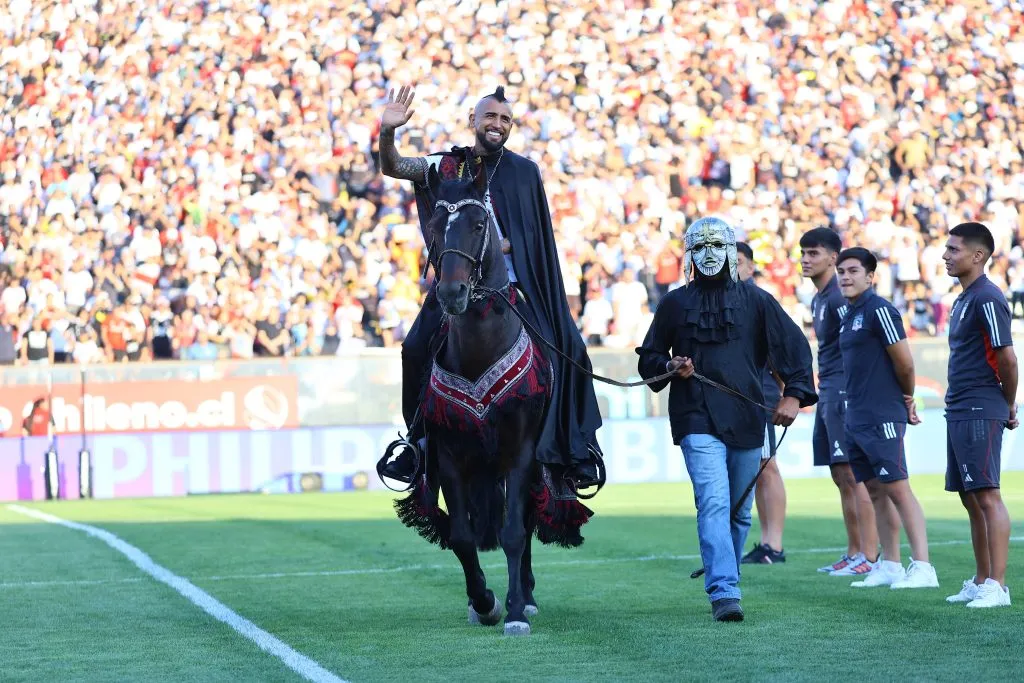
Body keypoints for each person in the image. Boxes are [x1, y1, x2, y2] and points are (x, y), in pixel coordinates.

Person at [375, 85, 604, 495]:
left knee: (570, 346)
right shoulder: (444, 166)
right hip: (454, 289)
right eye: (490, 117)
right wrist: (387, 132)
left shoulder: (525, 171)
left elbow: (535, 237)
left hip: (514, 290)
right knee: (412, 349)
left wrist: (498, 246)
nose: (496, 125)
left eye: (504, 119)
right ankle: (417, 443)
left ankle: (575, 452)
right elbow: (394, 167)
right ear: (473, 121)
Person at [636, 217, 817, 622]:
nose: (709, 254)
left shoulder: (758, 301)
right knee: (714, 502)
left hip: (748, 416)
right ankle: (724, 590)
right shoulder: (674, 303)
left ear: (732, 250)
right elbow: (649, 359)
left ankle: (726, 578)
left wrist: (795, 395)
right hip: (694, 415)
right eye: (700, 247)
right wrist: (669, 364)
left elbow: (794, 350)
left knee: (738, 510)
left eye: (717, 245)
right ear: (689, 254)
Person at [835, 247, 938, 590]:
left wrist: (906, 398)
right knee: (876, 491)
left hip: (882, 414)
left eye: (852, 271)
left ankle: (923, 567)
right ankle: (891, 564)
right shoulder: (849, 315)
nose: (845, 277)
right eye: (842, 271)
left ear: (870, 276)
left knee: (897, 488)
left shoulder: (880, 310)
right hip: (857, 416)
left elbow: (905, 362)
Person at [798, 228, 881, 577]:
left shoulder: (836, 299)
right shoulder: (819, 298)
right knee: (840, 474)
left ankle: (870, 554)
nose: (805, 259)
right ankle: (854, 551)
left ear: (834, 257)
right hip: (829, 389)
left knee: (853, 474)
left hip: (844, 391)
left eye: (813, 253)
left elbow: (859, 346)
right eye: (803, 253)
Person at [941, 222, 1016, 608]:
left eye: (954, 249)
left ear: (978, 256)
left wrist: (1007, 403)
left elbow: (1006, 356)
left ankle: (997, 587)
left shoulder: (988, 297)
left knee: (987, 495)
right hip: (960, 405)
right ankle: (981, 577)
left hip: (980, 404)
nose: (945, 256)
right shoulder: (963, 298)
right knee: (970, 497)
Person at [734, 242, 787, 566]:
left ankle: (773, 545)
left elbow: (779, 352)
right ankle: (767, 543)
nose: (733, 267)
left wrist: (785, 393)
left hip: (761, 395)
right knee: (757, 467)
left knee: (766, 467)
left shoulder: (759, 301)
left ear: (751, 267)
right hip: (745, 395)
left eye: (738, 262)